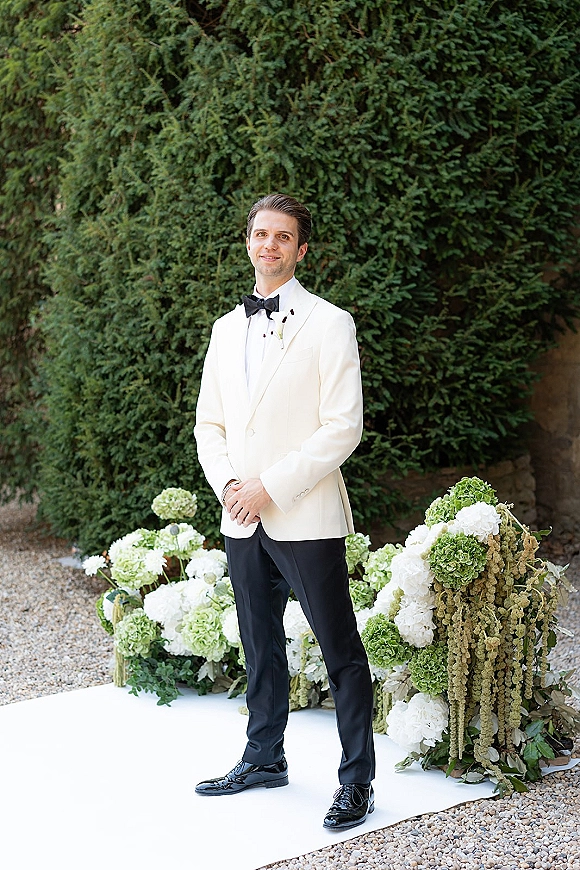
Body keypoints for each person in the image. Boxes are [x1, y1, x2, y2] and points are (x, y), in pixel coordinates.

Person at [193, 193, 375, 830]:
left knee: (338, 648)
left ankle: (358, 780)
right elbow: (208, 424)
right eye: (260, 234)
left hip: (305, 512)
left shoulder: (330, 323)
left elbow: (342, 427)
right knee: (258, 641)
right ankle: (264, 757)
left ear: (301, 249)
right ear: (248, 242)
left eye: (283, 237)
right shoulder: (223, 328)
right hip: (240, 513)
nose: (268, 245)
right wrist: (233, 489)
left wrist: (271, 486)